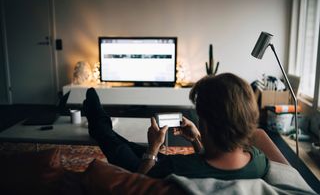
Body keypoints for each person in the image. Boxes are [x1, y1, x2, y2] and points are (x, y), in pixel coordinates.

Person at [83, 73, 282, 179]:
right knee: (129, 146)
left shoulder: (179, 167)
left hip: (150, 169)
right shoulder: (258, 160)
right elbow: (216, 161)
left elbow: (138, 184)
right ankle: (101, 125)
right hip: (161, 164)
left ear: (205, 122)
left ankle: (99, 124)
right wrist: (196, 139)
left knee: (115, 145)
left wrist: (153, 148)